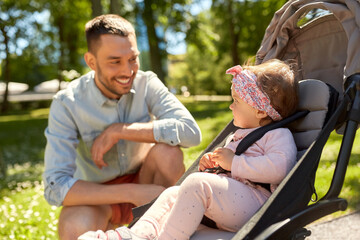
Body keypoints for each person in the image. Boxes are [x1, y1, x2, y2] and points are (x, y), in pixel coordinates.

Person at [77, 59, 299, 240]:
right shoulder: (240, 134)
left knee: (195, 184)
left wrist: (234, 163)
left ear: (260, 111)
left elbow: (280, 168)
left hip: (256, 204)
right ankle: (136, 235)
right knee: (174, 192)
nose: (231, 106)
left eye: (236, 101)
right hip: (232, 204)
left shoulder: (278, 135)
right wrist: (214, 167)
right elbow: (227, 172)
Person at [43, 14, 201, 240]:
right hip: (98, 197)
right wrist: (132, 192)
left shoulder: (147, 83)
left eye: (133, 59)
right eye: (115, 61)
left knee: (169, 153)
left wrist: (121, 130)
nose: (128, 71)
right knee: (74, 226)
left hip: (147, 178)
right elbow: (54, 186)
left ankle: (166, 232)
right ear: (91, 62)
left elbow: (191, 133)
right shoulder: (66, 103)